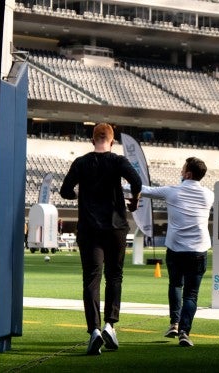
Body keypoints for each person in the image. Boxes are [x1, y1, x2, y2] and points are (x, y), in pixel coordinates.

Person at [60, 123, 142, 356]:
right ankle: (110, 324)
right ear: (112, 141)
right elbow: (136, 182)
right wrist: (134, 201)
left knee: (91, 278)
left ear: (92, 139)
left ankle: (94, 329)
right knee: (114, 275)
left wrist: (78, 194)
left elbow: (66, 190)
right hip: (115, 226)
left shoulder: (81, 162)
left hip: (88, 228)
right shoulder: (118, 161)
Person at [127, 157, 214, 347]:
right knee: (191, 294)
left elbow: (143, 190)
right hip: (198, 249)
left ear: (188, 173)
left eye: (183, 169)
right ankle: (184, 331)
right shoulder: (209, 194)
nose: (181, 172)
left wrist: (117, 182)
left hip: (176, 248)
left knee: (175, 285)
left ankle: (174, 324)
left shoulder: (172, 191)